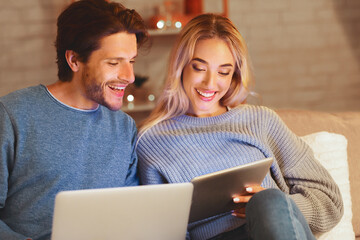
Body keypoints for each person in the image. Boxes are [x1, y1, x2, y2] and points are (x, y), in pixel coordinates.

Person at [136, 13, 343, 240]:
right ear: (180, 67)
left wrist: (275, 207)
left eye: (223, 72)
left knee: (268, 201)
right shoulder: (150, 140)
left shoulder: (260, 121)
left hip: (275, 230)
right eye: (199, 68)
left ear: (234, 75)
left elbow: (330, 202)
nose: (210, 83)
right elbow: (162, 230)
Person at [0, 0, 148, 239]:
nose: (129, 76)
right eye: (113, 63)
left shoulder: (124, 127)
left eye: (131, 61)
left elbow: (129, 214)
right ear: (74, 61)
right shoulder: (12, 115)